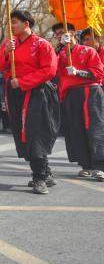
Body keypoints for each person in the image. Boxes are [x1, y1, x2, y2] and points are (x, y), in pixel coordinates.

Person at [0, 9, 60, 194]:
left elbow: (49, 71)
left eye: (14, 22)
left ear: (26, 24)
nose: (11, 26)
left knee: (34, 132)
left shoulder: (42, 44)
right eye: (10, 22)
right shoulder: (9, 43)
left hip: (37, 93)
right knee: (22, 133)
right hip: (15, 93)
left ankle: (39, 177)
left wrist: (23, 82)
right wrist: (6, 53)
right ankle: (45, 171)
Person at [55, 27, 104, 179]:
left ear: (73, 34)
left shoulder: (88, 51)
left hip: (90, 91)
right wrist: (59, 47)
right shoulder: (61, 54)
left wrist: (78, 72)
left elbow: (98, 73)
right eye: (58, 34)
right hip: (70, 94)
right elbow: (50, 66)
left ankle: (99, 165)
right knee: (76, 130)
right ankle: (86, 164)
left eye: (64, 32)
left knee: (95, 128)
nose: (61, 36)